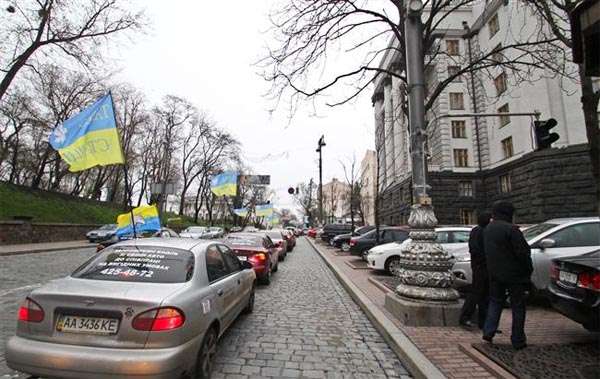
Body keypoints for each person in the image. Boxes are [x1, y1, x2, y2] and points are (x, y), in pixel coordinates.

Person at [482, 201, 532, 350]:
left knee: (495, 302)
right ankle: (518, 339)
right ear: (509, 213)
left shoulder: (488, 229)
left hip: (494, 273)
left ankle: (488, 331)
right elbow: (523, 253)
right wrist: (528, 271)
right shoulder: (512, 230)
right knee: (518, 306)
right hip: (514, 275)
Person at [459, 211, 492, 329]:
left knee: (485, 295)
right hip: (480, 267)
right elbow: (476, 250)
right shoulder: (478, 231)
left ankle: (484, 323)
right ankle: (465, 317)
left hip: (485, 267)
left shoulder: (483, 231)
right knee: (476, 293)